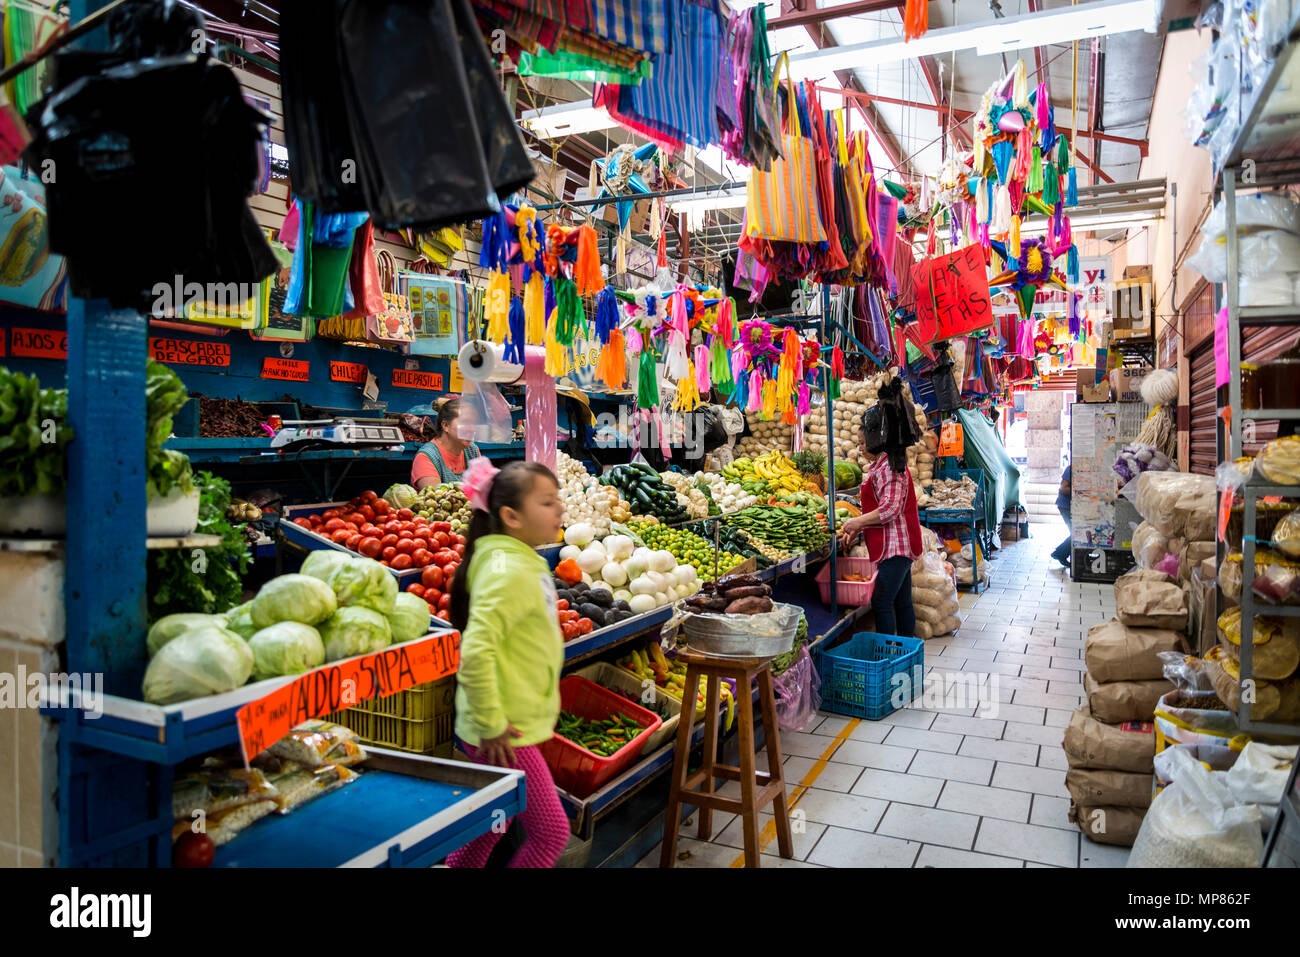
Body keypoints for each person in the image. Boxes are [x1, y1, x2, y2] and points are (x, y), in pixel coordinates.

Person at [444, 457, 570, 869]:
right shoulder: (508, 570)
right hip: (503, 730)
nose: (560, 509)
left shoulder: (517, 559)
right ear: (511, 516)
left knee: (494, 823)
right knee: (552, 833)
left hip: (509, 720)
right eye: (547, 502)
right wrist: (493, 722)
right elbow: (477, 651)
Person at [839, 376, 924, 637]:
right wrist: (860, 528)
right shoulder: (883, 465)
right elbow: (881, 510)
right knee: (901, 602)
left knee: (882, 602)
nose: (861, 448)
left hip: (896, 547)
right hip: (894, 544)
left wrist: (855, 522)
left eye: (863, 443)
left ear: (877, 439)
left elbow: (889, 510)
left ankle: (889, 658)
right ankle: (906, 654)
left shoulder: (888, 466)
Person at [412, 397, 482, 488]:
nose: (472, 429)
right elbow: (435, 498)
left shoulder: (472, 450)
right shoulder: (427, 457)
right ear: (445, 425)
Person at [1051, 463, 1072, 568]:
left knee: (1076, 533)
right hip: (1065, 506)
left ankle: (1061, 553)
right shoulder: (1071, 468)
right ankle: (1060, 553)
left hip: (1071, 506)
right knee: (1077, 534)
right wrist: (1081, 491)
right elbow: (1063, 488)